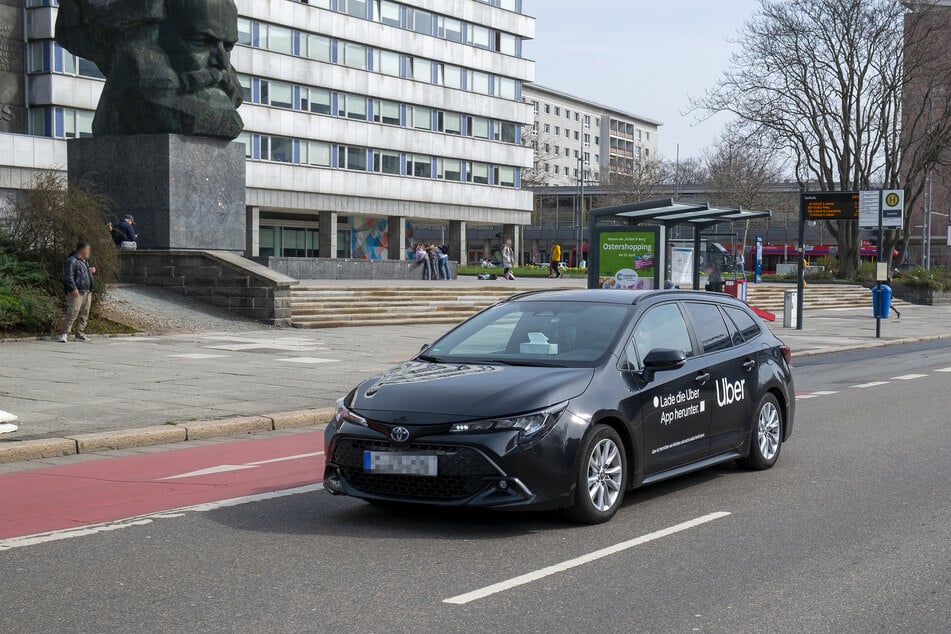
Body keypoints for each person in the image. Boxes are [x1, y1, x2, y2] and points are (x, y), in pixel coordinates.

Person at [59, 242, 97, 343]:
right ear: (82, 249)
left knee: (84, 314)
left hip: (87, 291)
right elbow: (69, 276)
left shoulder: (84, 261)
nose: (89, 252)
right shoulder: (72, 260)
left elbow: (81, 273)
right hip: (77, 291)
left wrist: (90, 271)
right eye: (88, 249)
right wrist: (73, 288)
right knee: (72, 312)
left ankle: (80, 334)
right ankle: (65, 333)